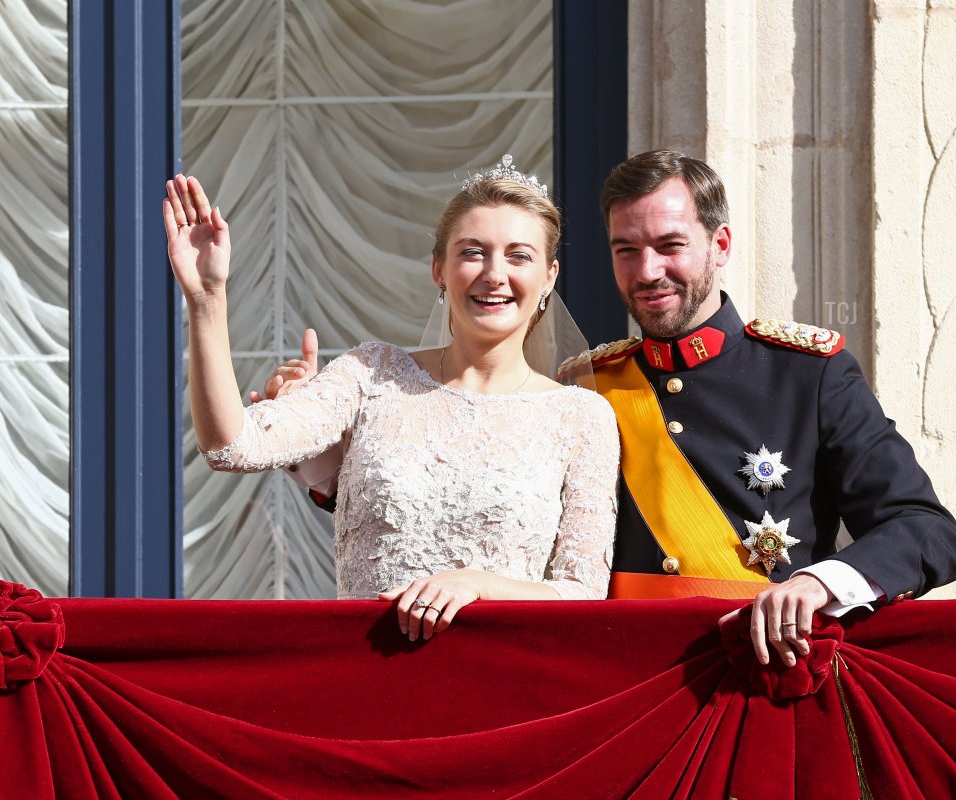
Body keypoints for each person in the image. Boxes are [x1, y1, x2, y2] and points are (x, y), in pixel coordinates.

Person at [266, 150, 956, 668]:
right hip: (615, 684)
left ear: (719, 246)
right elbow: (474, 486)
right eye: (626, 250)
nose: (648, 272)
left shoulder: (807, 375)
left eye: (670, 247)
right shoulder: (586, 385)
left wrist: (820, 583)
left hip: (756, 676)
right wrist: (316, 457)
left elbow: (925, 530)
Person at [162, 157, 620, 643]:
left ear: (549, 276)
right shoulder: (372, 373)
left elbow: (581, 591)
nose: (493, 273)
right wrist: (207, 300)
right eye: (472, 252)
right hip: (365, 679)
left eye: (518, 256)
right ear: (439, 270)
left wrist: (480, 585)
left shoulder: (581, 417)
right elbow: (232, 447)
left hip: (499, 684)